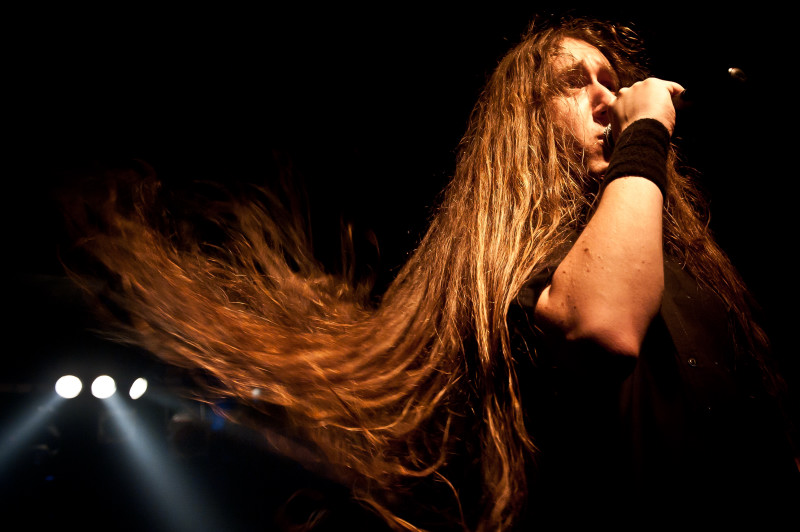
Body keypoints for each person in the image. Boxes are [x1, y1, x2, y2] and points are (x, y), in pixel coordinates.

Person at [63, 15, 798, 531]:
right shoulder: (522, 259)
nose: (609, 96)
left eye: (615, 78)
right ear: (524, 125)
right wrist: (645, 130)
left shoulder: (675, 253)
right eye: (578, 82)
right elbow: (604, 324)